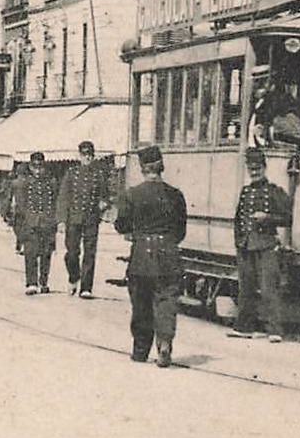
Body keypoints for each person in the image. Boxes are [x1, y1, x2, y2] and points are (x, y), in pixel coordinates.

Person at [114, 144, 187, 366]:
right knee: (166, 301)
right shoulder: (176, 195)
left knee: (141, 303)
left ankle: (140, 350)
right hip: (168, 255)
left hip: (142, 257)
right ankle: (164, 342)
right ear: (161, 167)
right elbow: (180, 231)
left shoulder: (132, 194)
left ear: (142, 168)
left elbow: (122, 226)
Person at [231, 147, 289, 342]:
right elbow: (238, 219)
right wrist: (239, 242)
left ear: (264, 168)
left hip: (265, 245)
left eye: (257, 169)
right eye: (251, 169)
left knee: (268, 288)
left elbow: (287, 219)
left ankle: (275, 330)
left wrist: (267, 218)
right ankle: (244, 327)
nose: (254, 172)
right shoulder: (245, 191)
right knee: (245, 287)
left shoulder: (274, 192)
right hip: (246, 245)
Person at [58, 140, 111, 299]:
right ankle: (74, 277)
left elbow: (106, 195)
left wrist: (104, 203)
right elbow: (63, 198)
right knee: (72, 253)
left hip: (91, 219)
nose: (87, 158)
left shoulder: (99, 175)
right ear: (79, 155)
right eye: (84, 154)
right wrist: (61, 220)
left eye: (90, 155)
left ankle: (86, 288)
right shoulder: (71, 174)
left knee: (90, 253)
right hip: (73, 219)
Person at [18, 152, 60, 295]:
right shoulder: (24, 182)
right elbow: (20, 204)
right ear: (30, 167)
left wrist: (56, 220)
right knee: (30, 252)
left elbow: (55, 201)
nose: (38, 170)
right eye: (35, 166)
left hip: (47, 222)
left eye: (40, 166)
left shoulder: (51, 182)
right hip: (30, 222)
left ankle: (43, 282)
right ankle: (31, 283)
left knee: (46, 253)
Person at [3, 161, 30, 256]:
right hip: (28, 210)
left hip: (18, 209)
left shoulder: (14, 183)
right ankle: (23, 246)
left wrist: (5, 211)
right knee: (26, 228)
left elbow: (9, 198)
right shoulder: (30, 182)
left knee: (18, 228)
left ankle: (19, 245)